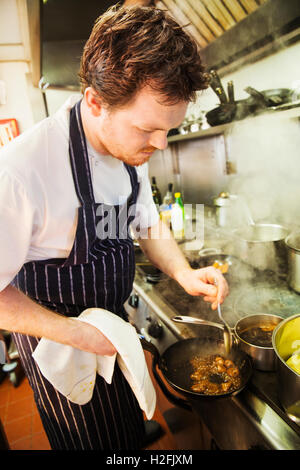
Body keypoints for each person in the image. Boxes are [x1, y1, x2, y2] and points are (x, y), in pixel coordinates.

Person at [0, 5, 228, 450]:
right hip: (59, 342)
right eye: (148, 129)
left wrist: (183, 273)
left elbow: (145, 220)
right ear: (95, 102)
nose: (159, 144)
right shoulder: (22, 172)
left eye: (169, 130)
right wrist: (76, 333)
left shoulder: (131, 151)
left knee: (125, 428)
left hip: (113, 327)